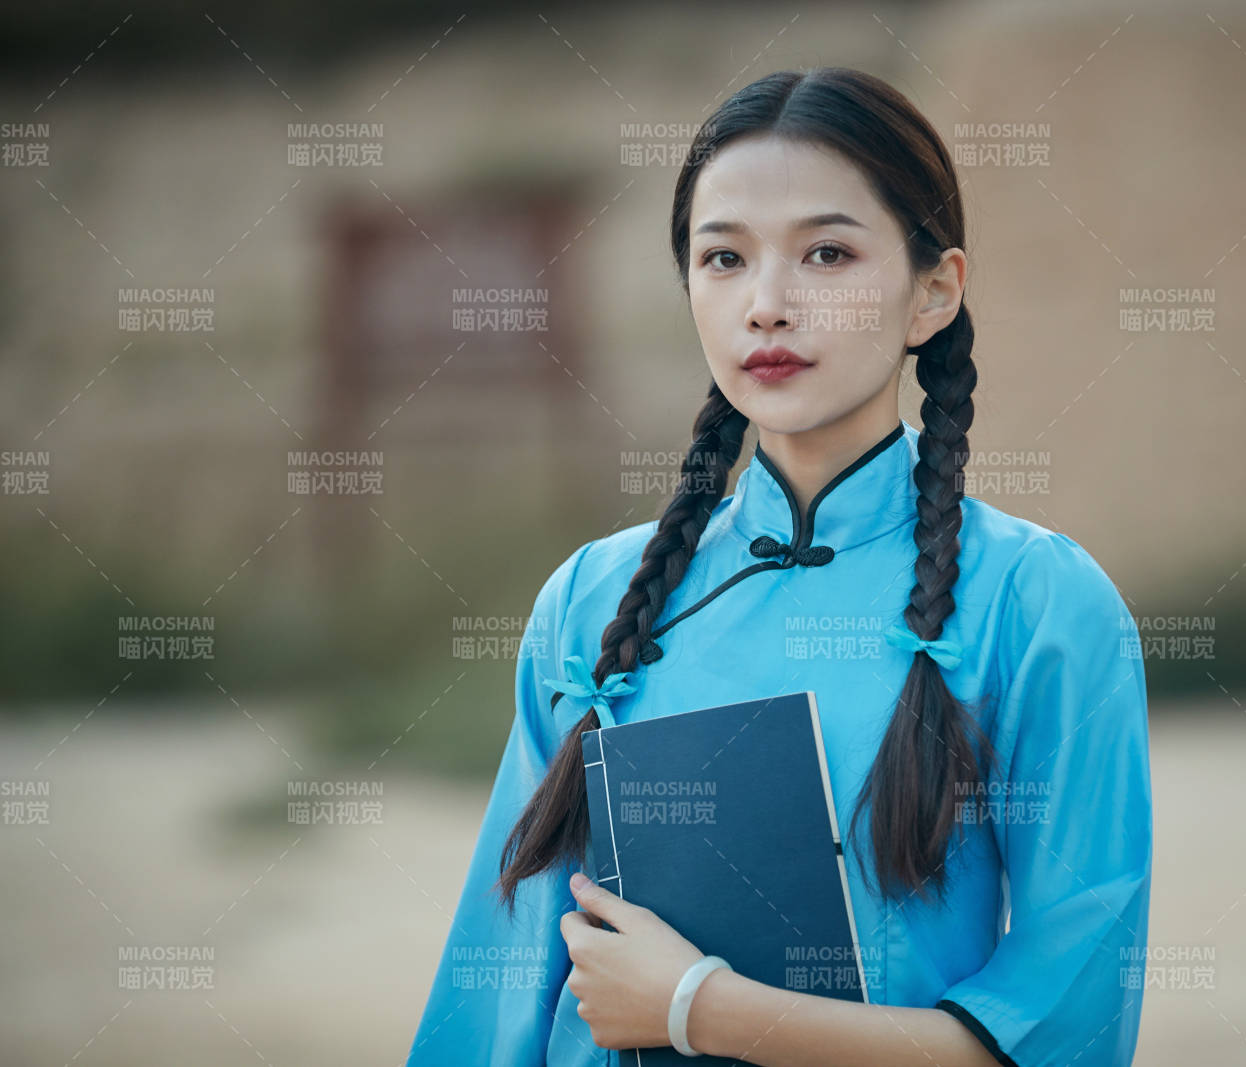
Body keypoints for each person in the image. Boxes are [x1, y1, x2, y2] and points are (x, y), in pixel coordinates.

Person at [406, 66, 1152, 1067]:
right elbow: (494, 994)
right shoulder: (589, 598)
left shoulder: (1041, 603)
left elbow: (1068, 1026)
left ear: (933, 292)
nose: (766, 303)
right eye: (724, 258)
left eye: (827, 252)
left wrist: (700, 1010)